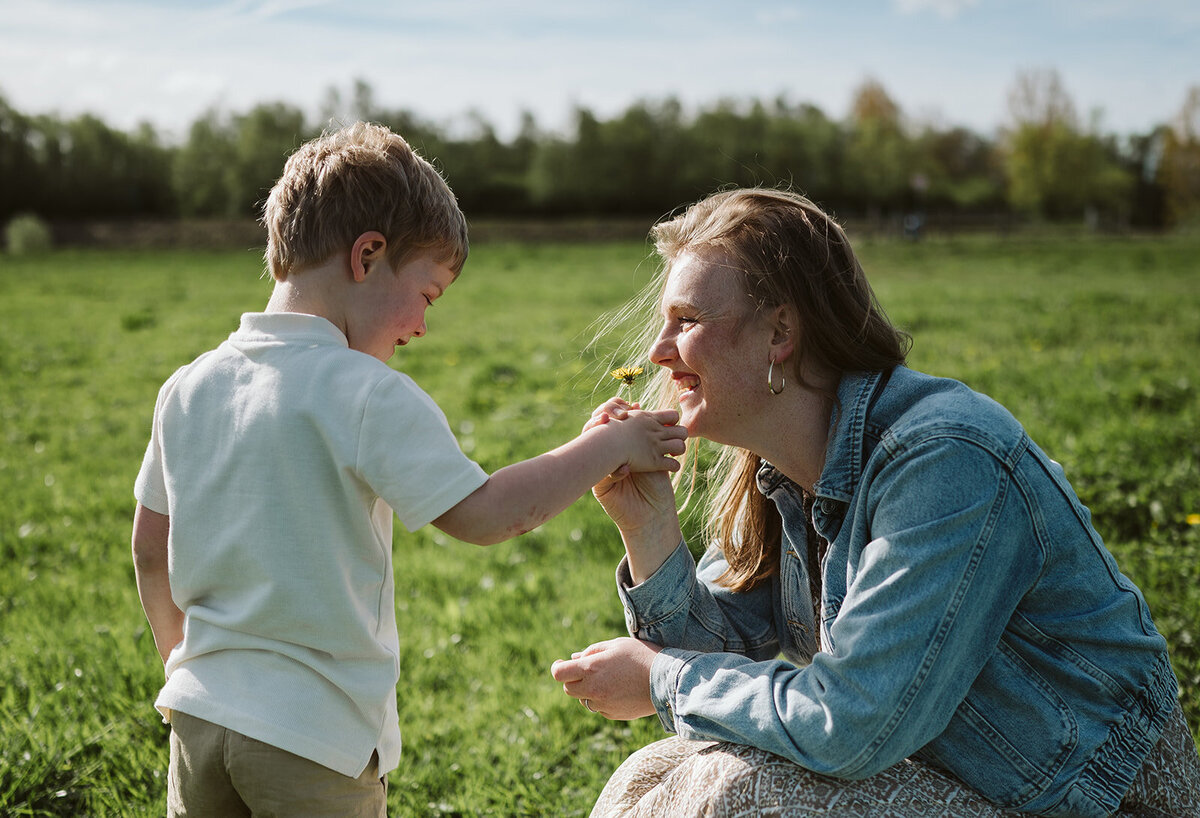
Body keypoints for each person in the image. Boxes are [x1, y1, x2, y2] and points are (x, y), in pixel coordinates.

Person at [552, 187, 1200, 817]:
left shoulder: (947, 459)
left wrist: (662, 683)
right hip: (950, 779)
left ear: (781, 332)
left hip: (1094, 805)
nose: (659, 351)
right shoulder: (781, 473)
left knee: (741, 790)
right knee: (654, 771)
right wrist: (648, 525)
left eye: (687, 321)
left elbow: (848, 721)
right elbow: (709, 651)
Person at [131, 121, 687, 818]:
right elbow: (489, 513)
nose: (422, 327)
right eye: (427, 295)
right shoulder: (363, 390)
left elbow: (151, 551)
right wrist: (608, 449)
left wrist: (186, 669)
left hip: (198, 717)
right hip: (311, 739)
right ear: (368, 255)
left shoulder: (188, 385)